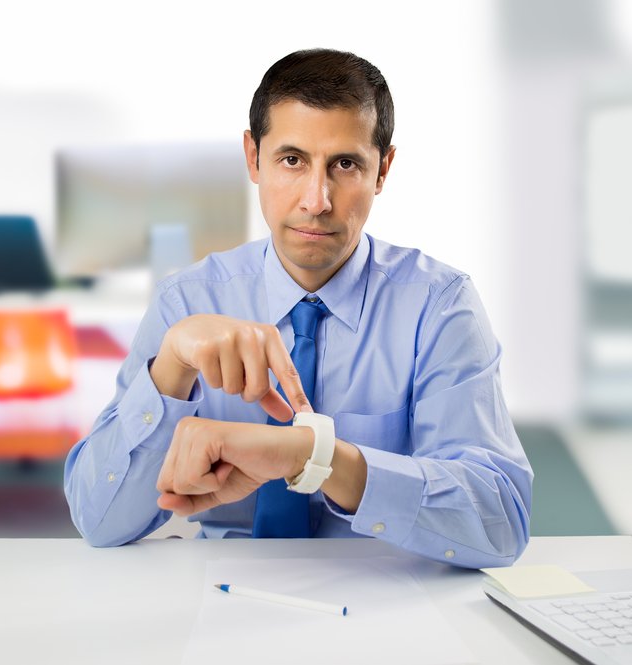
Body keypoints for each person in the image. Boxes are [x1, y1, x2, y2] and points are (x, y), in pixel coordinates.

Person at [64, 48, 532, 568]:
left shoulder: (439, 307)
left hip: (384, 602)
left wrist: (317, 457)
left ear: (383, 171)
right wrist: (171, 367)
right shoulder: (188, 303)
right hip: (220, 601)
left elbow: (500, 523)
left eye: (346, 165)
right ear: (252, 158)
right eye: (292, 160)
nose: (317, 200)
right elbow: (98, 520)